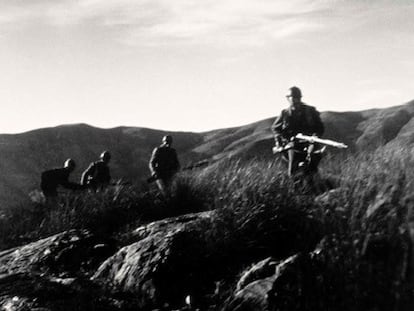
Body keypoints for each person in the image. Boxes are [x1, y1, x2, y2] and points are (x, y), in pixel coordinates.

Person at [272, 86, 324, 177]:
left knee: (312, 166)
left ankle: (314, 183)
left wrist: (315, 136)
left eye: (297, 98)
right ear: (288, 99)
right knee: (293, 171)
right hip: (291, 145)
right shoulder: (285, 113)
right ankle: (294, 184)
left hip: (309, 143)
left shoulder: (310, 111)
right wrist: (280, 139)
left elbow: (320, 127)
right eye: (293, 98)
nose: (295, 101)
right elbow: (275, 128)